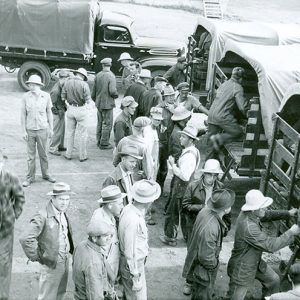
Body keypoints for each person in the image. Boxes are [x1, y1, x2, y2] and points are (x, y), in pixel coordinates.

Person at [227, 189, 300, 300]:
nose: (265, 209)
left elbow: (267, 214)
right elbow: (271, 245)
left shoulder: (252, 213)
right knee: (236, 297)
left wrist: (288, 213)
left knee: (274, 280)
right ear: (254, 209)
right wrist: (290, 232)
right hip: (242, 267)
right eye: (262, 207)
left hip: (254, 261)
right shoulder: (249, 227)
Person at [20, 182, 75, 300]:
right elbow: (25, 238)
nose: (65, 202)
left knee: (60, 292)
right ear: (53, 198)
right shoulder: (42, 215)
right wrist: (39, 256)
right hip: (51, 263)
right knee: (47, 296)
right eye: (61, 199)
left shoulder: (61, 210)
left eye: (67, 199)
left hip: (64, 259)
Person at [182, 189, 235, 300]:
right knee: (203, 293)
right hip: (204, 266)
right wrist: (215, 265)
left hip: (196, 258)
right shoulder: (211, 229)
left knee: (201, 290)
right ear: (225, 209)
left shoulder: (205, 210)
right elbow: (206, 258)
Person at [181, 159, 224, 295]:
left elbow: (225, 206)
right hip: (195, 225)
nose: (212, 178)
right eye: (209, 175)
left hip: (212, 226)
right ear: (204, 174)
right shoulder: (193, 186)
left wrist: (224, 228)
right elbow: (185, 205)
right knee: (193, 253)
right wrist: (203, 208)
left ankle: (204, 282)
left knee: (209, 253)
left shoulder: (221, 187)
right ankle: (189, 281)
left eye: (215, 175)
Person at [119, 180, 161, 300]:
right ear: (148, 201)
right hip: (133, 265)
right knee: (138, 296)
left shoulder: (129, 208)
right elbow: (130, 249)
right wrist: (135, 274)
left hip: (131, 263)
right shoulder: (134, 219)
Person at [160, 125, 201, 246]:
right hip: (187, 187)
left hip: (181, 187)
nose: (180, 139)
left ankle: (170, 237)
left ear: (191, 140)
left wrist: (173, 165)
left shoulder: (189, 156)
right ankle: (189, 237)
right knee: (185, 214)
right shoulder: (194, 151)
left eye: (184, 137)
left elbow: (185, 176)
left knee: (173, 213)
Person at [21, 74, 56, 187]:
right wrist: (23, 131)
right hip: (30, 130)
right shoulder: (25, 97)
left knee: (44, 154)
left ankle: (46, 174)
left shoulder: (46, 96)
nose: (31, 86)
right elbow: (23, 115)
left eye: (33, 84)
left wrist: (51, 128)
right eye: (30, 84)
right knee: (30, 156)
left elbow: (49, 113)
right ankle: (30, 177)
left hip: (42, 129)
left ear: (38, 85)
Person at [72, 209, 116, 300]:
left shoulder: (81, 246)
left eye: (109, 235)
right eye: (105, 236)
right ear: (95, 238)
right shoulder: (93, 263)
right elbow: (95, 294)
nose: (109, 238)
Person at [0, 150, 25, 300]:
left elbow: (20, 198)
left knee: (4, 262)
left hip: (5, 229)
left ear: (2, 162)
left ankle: (3, 296)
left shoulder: (11, 178)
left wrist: (14, 215)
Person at [207, 67, 249, 150]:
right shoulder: (237, 87)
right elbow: (242, 107)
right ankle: (219, 138)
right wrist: (249, 115)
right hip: (222, 116)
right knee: (238, 132)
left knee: (211, 145)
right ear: (241, 78)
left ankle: (209, 161)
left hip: (211, 115)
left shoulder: (224, 84)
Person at [62, 67, 92, 161]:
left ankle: (68, 154)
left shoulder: (67, 82)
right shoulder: (84, 84)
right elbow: (88, 101)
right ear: (83, 76)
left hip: (70, 108)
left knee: (70, 133)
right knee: (83, 134)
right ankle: (82, 156)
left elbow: (63, 97)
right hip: (81, 109)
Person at [113, 117, 154, 181]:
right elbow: (148, 171)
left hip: (123, 179)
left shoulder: (123, 141)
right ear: (144, 130)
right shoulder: (144, 146)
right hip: (137, 182)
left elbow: (115, 162)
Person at [92, 57, 118, 150]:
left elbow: (93, 92)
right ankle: (104, 143)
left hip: (99, 103)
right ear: (110, 65)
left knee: (99, 122)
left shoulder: (98, 75)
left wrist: (96, 100)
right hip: (108, 104)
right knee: (107, 123)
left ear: (102, 65)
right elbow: (112, 91)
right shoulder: (111, 76)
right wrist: (116, 96)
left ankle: (98, 140)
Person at [144, 107, 164, 225]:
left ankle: (148, 209)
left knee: (151, 186)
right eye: (156, 119)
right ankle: (146, 215)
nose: (158, 121)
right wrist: (150, 166)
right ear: (150, 117)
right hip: (149, 163)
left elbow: (156, 146)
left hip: (154, 162)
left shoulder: (154, 129)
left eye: (159, 120)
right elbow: (147, 151)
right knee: (149, 187)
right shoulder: (147, 131)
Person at [156, 84, 176, 191]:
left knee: (165, 167)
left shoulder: (176, 107)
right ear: (164, 97)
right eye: (169, 96)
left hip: (171, 141)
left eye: (173, 95)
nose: (172, 97)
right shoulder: (159, 108)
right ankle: (155, 187)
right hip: (160, 141)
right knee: (157, 165)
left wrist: (173, 110)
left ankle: (160, 186)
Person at [49, 69, 69, 156]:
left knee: (62, 130)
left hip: (61, 111)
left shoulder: (61, 86)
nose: (67, 81)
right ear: (63, 79)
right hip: (57, 113)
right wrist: (57, 113)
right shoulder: (56, 90)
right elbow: (51, 104)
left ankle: (60, 146)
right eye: (67, 79)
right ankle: (52, 148)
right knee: (57, 131)